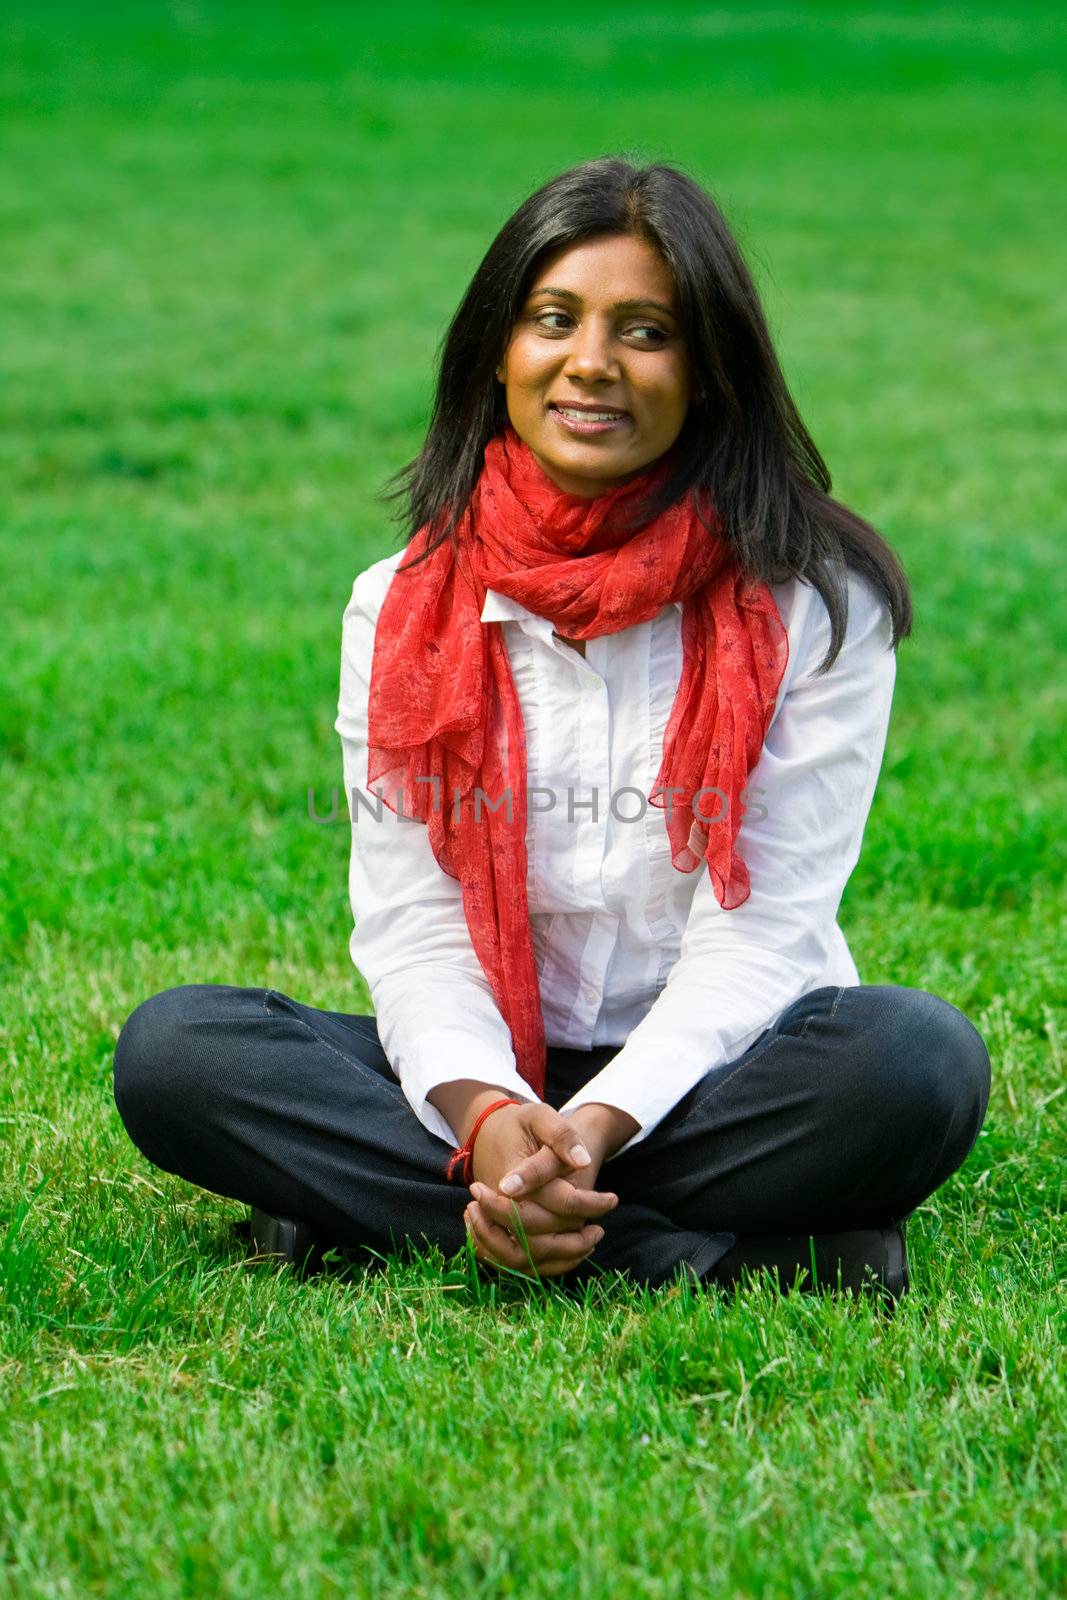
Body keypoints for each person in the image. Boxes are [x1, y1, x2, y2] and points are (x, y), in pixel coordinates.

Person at [113, 156, 991, 1301]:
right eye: (553, 319)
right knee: (177, 1053)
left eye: (644, 331)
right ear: (498, 349)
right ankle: (720, 1262)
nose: (591, 363)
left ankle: (372, 1211)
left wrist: (588, 1131)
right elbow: (415, 924)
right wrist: (485, 1117)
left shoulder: (813, 600)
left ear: (710, 370)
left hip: (719, 1076)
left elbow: (766, 928)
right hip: (489, 1069)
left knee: (915, 1063)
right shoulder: (401, 603)